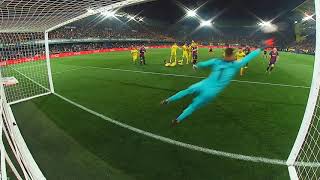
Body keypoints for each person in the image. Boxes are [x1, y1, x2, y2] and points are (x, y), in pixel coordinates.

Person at [161, 39, 273, 125]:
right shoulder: (236, 64)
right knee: (193, 105)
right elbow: (250, 56)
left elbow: (203, 64)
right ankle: (177, 120)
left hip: (204, 84)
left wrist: (196, 65)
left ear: (225, 55)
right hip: (211, 91)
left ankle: (168, 100)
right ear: (232, 56)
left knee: (187, 91)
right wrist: (261, 47)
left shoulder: (217, 61)